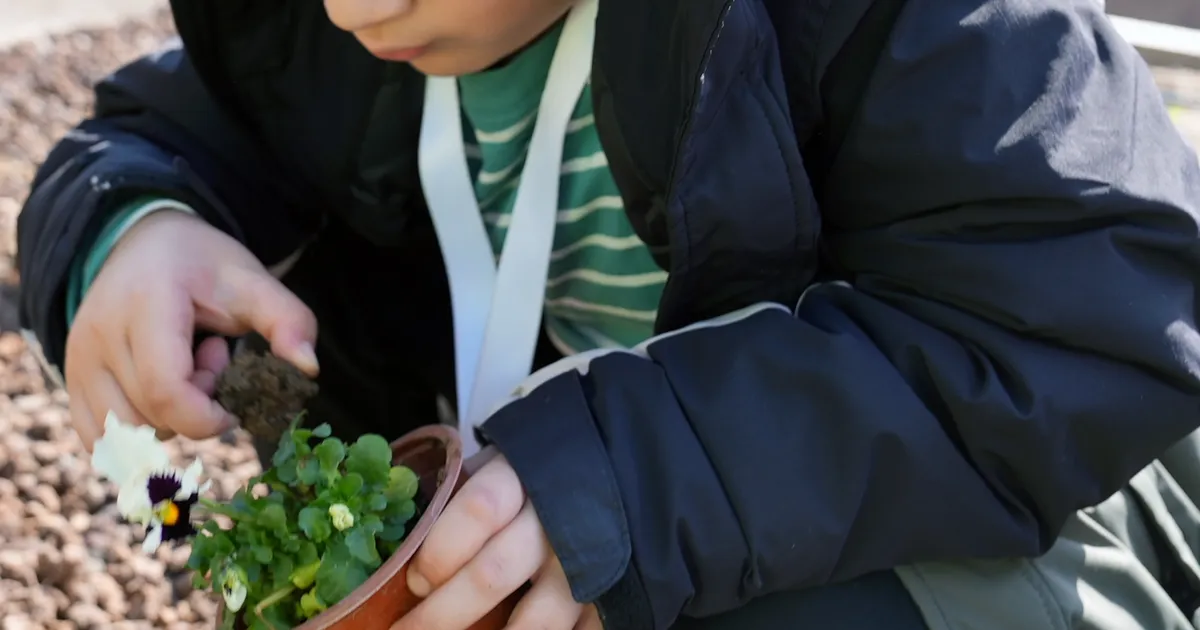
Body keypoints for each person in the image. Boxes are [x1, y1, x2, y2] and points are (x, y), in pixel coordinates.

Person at [15, 0, 1200, 628]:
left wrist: (631, 482)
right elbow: (149, 132)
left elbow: (1099, 308)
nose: (349, 5)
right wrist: (125, 232)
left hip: (986, 534)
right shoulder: (321, 34)